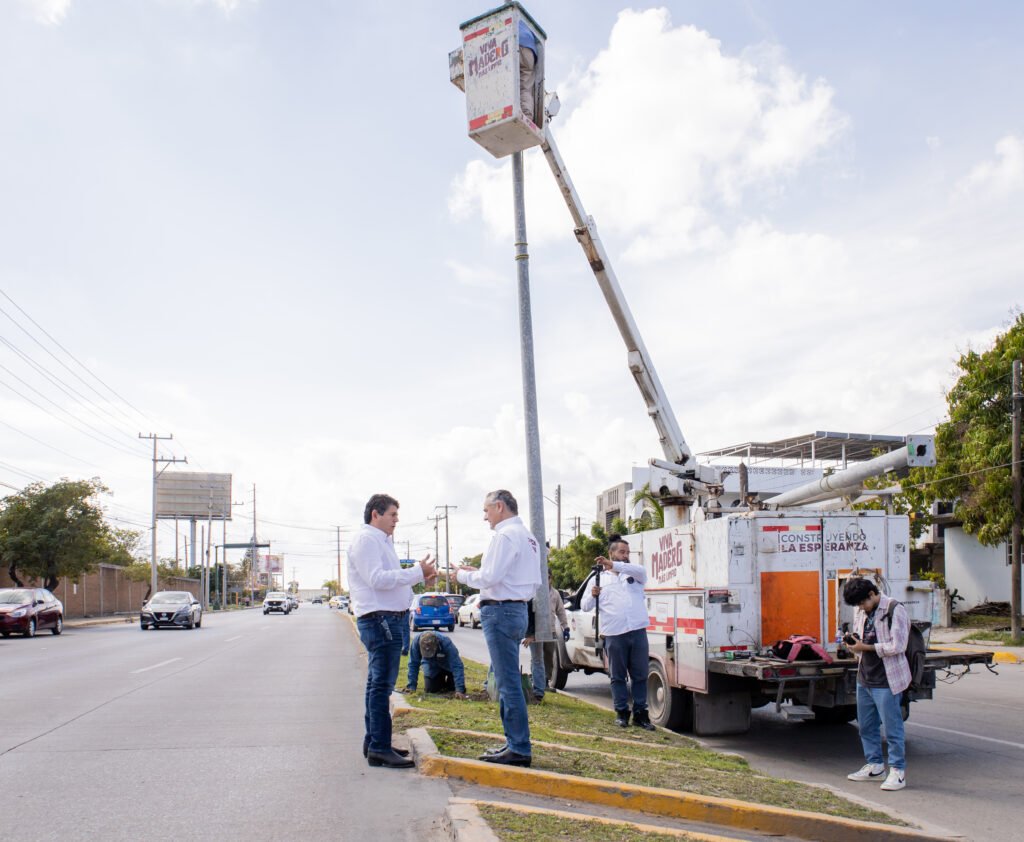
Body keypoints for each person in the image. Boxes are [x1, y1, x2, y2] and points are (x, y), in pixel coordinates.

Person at [348, 493, 436, 769]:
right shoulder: (367, 540)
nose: (397, 520)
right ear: (376, 514)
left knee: (377, 684)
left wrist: (420, 577)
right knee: (381, 686)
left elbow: (392, 582)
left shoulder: (382, 541)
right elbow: (377, 579)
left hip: (387, 619)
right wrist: (416, 572)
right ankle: (379, 748)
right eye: (392, 514)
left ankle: (375, 741)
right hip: (380, 620)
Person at [455, 489, 541, 767]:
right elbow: (515, 578)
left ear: (500, 506)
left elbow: (490, 577)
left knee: (508, 683)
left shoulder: (505, 535)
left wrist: (461, 575)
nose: (485, 517)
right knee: (507, 680)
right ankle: (513, 742)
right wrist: (478, 575)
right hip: (517, 610)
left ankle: (519, 747)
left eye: (486, 510)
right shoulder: (528, 537)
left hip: (501, 611)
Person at [842, 577, 910, 791]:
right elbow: (861, 640)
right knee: (866, 726)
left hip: (887, 679)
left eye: (863, 603)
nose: (861, 608)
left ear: (872, 594)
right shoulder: (862, 612)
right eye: (858, 605)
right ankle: (875, 766)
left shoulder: (894, 609)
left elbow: (898, 645)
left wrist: (867, 647)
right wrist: (853, 643)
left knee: (892, 728)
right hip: (865, 677)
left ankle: (897, 771)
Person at [581, 535, 655, 730]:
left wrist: (613, 564)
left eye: (627, 552)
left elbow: (642, 571)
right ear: (611, 553)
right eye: (621, 552)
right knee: (617, 676)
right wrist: (593, 595)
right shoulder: (598, 579)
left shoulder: (634, 574)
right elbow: (585, 605)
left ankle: (641, 714)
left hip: (637, 631)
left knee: (640, 675)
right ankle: (621, 713)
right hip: (614, 634)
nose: (625, 555)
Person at [523, 574, 569, 701]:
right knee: (537, 658)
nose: (546, 579)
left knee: (549, 656)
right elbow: (529, 613)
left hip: (550, 630)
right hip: (536, 631)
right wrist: (530, 633)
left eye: (548, 577)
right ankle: (537, 685)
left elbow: (561, 611)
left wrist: (565, 627)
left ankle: (545, 680)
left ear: (551, 578)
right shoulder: (534, 592)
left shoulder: (555, 593)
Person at [403, 631, 468, 698]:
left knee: (453, 688)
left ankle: (450, 683)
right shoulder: (416, 643)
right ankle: (440, 682)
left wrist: (459, 689)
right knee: (431, 689)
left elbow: (457, 665)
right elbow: (413, 664)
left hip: (448, 666)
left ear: (436, 645)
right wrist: (411, 686)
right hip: (431, 665)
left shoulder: (446, 643)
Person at [518, 19, 538, 124]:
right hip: (530, 53)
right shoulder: (524, 24)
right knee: (524, 87)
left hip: (514, 44)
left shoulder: (503, 16)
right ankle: (527, 116)